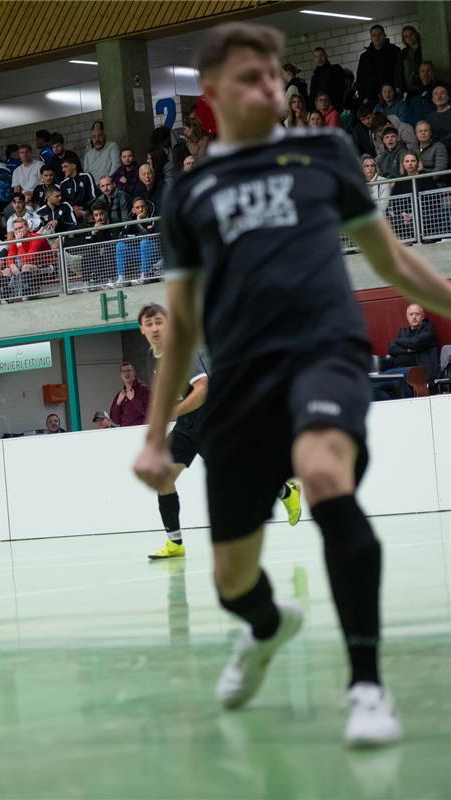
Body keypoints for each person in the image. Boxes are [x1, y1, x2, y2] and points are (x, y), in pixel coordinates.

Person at [134, 22, 451, 749]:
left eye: (276, 75)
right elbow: (180, 324)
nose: (271, 88)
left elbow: (394, 260)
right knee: (230, 580)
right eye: (251, 77)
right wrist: (154, 437)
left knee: (322, 471)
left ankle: (367, 685)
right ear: (211, 98)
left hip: (324, 353)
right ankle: (268, 627)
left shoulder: (326, 153)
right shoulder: (190, 195)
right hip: (243, 380)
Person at [137, 303, 301, 562]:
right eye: (150, 324)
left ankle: (285, 491)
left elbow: (203, 390)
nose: (155, 328)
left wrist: (173, 411)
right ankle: (175, 543)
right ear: (142, 329)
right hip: (186, 426)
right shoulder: (149, 356)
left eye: (160, 322)